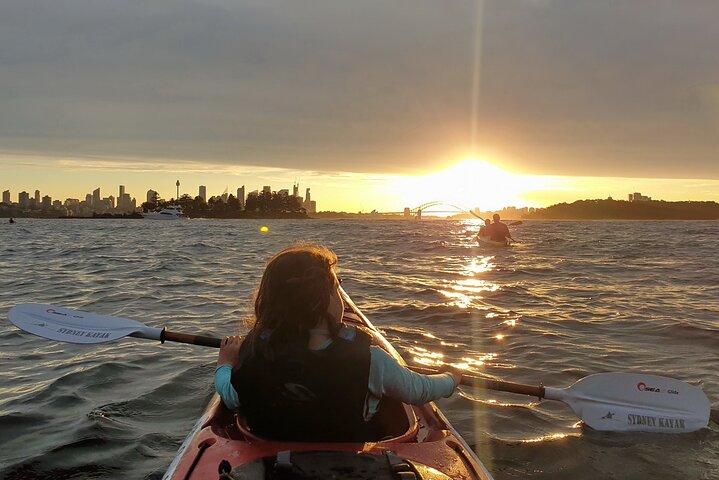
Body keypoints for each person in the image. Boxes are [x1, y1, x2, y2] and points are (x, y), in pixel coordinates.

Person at [215, 244, 462, 442]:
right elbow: (418, 390)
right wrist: (451, 379)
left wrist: (225, 363)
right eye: (336, 288)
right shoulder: (369, 358)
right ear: (327, 300)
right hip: (347, 457)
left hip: (271, 454)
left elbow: (230, 397)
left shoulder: (255, 349)